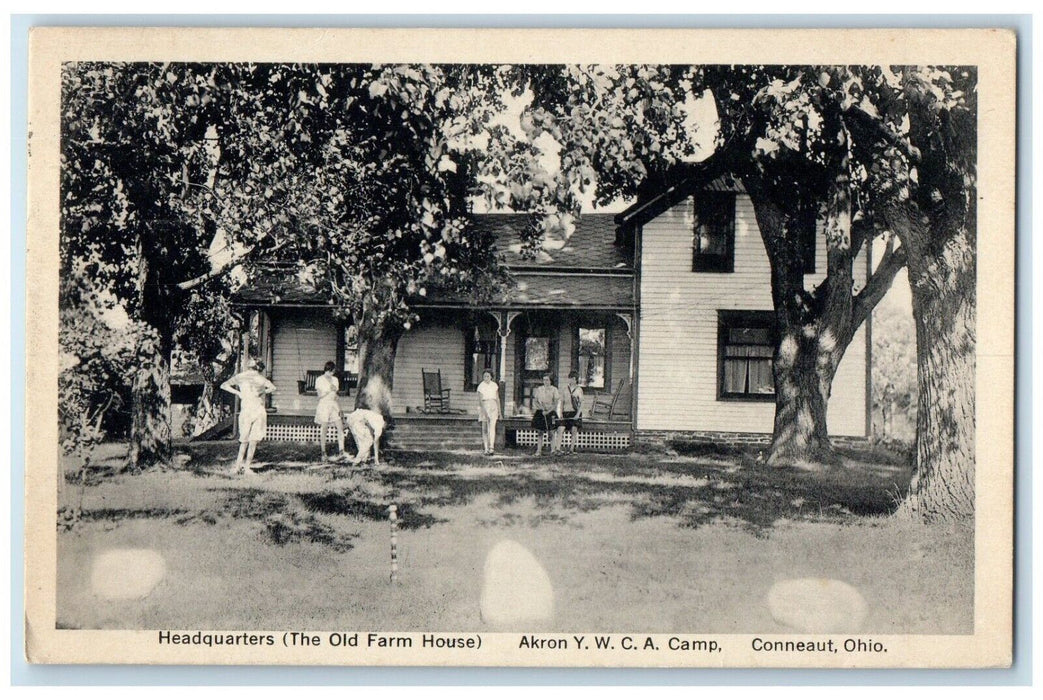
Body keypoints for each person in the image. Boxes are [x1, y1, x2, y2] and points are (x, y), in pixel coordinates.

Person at [220, 358, 276, 475]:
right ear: (258, 368)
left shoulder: (243, 377)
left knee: (246, 440)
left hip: (250, 410)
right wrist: (261, 392)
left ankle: (240, 467)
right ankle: (244, 467)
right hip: (254, 410)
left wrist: (239, 393)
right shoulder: (258, 378)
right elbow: (273, 388)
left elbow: (224, 385)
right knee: (251, 440)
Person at [314, 361, 348, 462]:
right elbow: (319, 396)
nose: (332, 374)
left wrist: (340, 408)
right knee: (324, 429)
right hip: (324, 405)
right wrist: (328, 390)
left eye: (333, 372)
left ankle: (342, 451)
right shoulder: (319, 380)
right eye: (330, 371)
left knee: (340, 428)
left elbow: (335, 396)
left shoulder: (335, 380)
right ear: (327, 370)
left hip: (333, 405)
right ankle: (323, 453)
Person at [530, 372, 561, 457]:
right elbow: (535, 401)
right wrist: (541, 408)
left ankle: (553, 450)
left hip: (551, 412)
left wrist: (548, 411)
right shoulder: (539, 389)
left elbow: (555, 403)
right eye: (544, 380)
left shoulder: (554, 390)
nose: (545, 381)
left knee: (551, 431)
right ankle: (538, 451)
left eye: (547, 380)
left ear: (550, 381)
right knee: (540, 432)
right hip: (541, 412)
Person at [555, 370, 585, 454]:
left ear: (576, 380)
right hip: (566, 412)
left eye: (574, 378)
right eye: (571, 378)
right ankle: (557, 449)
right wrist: (560, 413)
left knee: (574, 430)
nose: (572, 380)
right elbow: (561, 402)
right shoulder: (565, 389)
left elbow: (582, 403)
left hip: (575, 413)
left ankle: (571, 449)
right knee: (560, 429)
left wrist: (578, 415)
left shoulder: (579, 390)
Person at [476, 369, 500, 456]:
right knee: (485, 429)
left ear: (491, 377)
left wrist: (499, 411)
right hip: (484, 406)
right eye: (484, 376)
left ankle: (491, 448)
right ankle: (486, 448)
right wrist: (484, 411)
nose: (486, 378)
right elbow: (480, 401)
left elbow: (497, 399)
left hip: (493, 406)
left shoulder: (494, 385)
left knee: (492, 427)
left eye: (488, 376)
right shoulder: (481, 386)